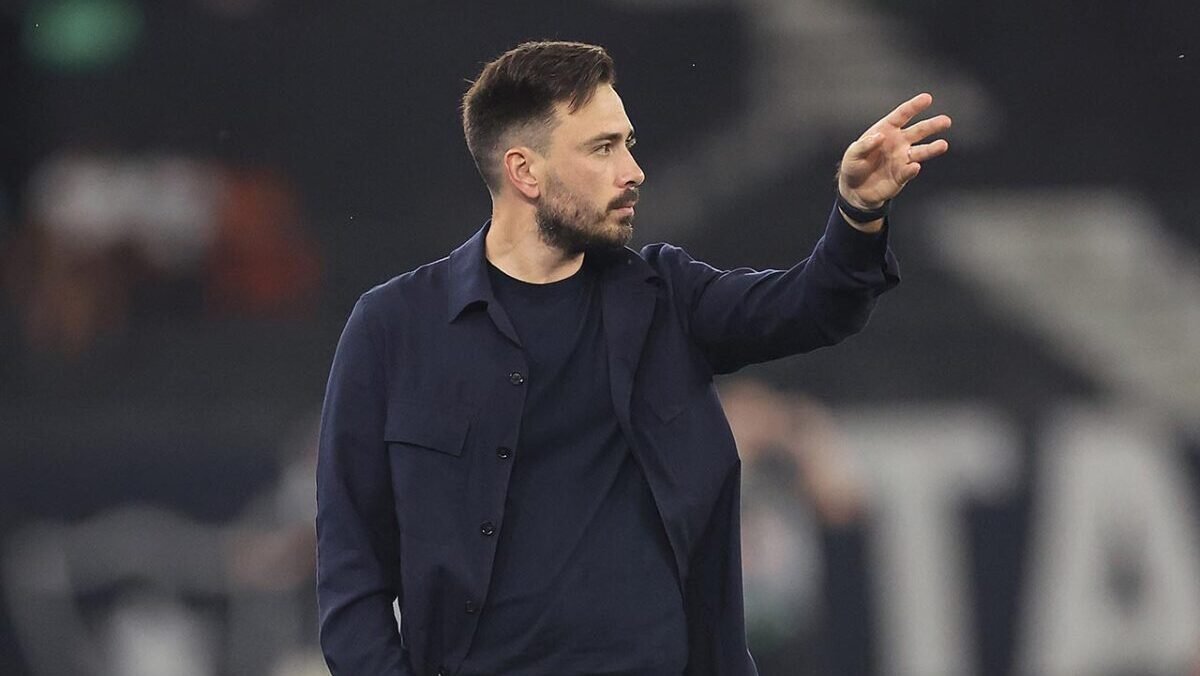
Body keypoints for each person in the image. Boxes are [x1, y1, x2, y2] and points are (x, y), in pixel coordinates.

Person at [315, 40, 949, 676]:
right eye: (602, 148)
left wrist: (858, 213)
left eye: (629, 142)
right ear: (524, 172)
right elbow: (351, 570)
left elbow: (811, 307)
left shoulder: (665, 298)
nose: (633, 170)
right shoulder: (392, 329)